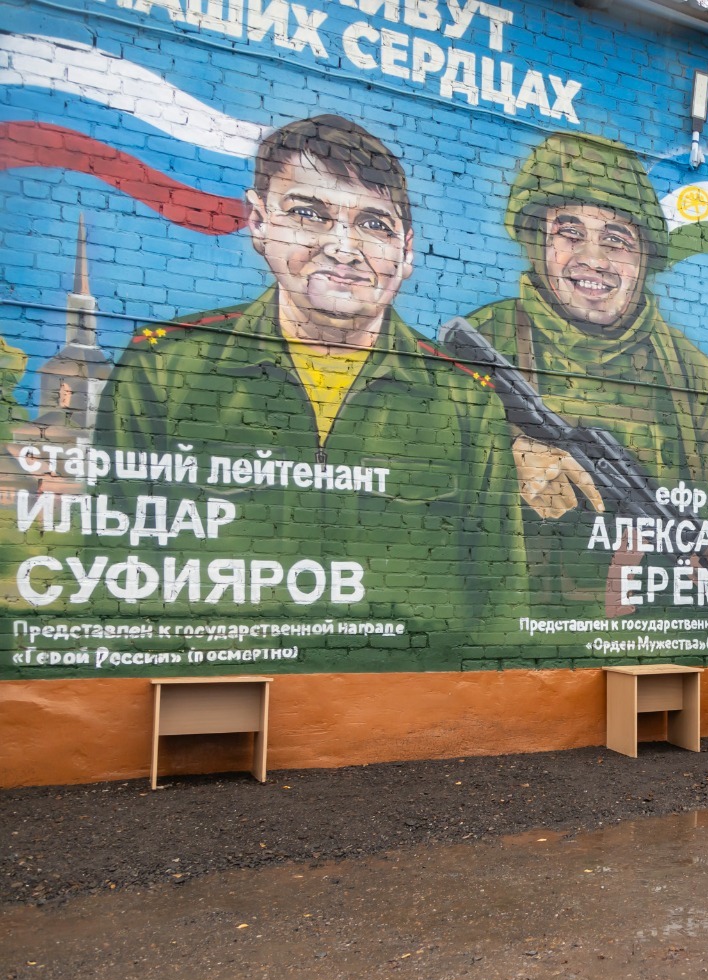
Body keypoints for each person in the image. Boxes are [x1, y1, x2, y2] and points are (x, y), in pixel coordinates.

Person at [96, 115, 526, 651]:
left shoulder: (464, 397)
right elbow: (112, 557)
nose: (343, 248)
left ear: (407, 251)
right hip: (226, 677)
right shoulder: (165, 369)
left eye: (374, 224)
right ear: (258, 222)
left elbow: (499, 593)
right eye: (308, 214)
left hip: (405, 697)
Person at [468, 132, 708, 515]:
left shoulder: (690, 373)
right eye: (570, 234)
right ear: (536, 242)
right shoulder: (485, 337)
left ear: (644, 258)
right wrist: (507, 463)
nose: (594, 259)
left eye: (616, 240)